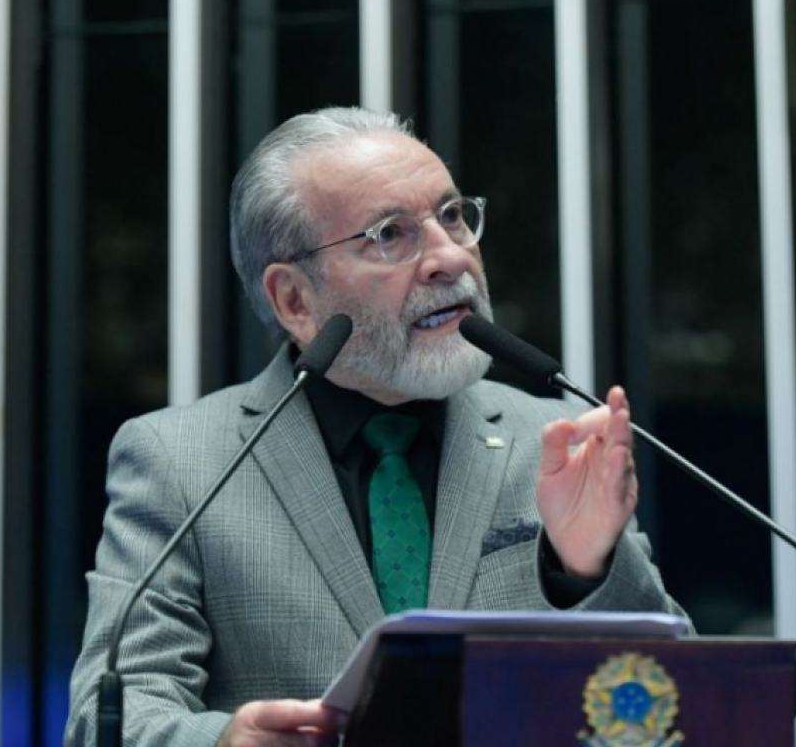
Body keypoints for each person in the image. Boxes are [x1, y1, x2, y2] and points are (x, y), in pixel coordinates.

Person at [65, 107, 690, 747]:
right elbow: (108, 716)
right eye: (390, 234)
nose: (450, 257)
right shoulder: (181, 460)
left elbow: (676, 709)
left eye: (452, 216)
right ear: (295, 300)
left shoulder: (556, 441)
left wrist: (589, 570)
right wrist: (221, 741)